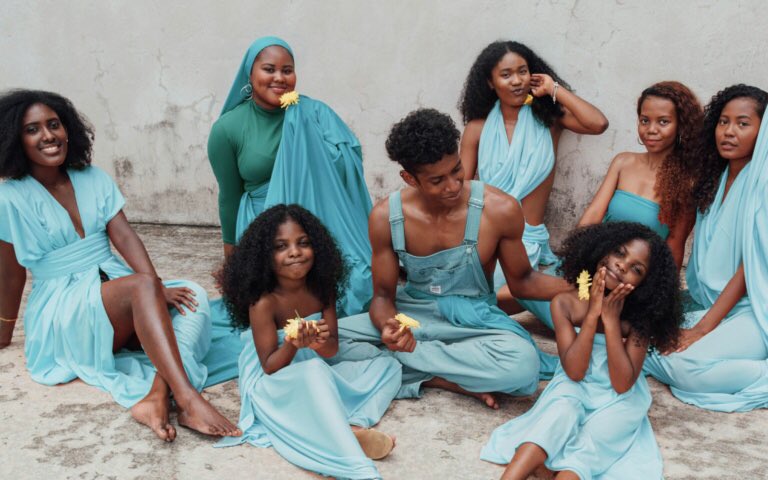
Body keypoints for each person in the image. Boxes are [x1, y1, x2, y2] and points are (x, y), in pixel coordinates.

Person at [0, 89, 239, 441]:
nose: (48, 135)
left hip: (114, 290)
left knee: (194, 297)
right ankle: (187, 397)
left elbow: (125, 238)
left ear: (69, 130)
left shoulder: (92, 177)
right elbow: (10, 272)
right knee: (144, 286)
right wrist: (4, 332)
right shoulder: (9, 197)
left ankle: (158, 394)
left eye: (54, 125)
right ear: (15, 140)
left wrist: (158, 288)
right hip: (64, 311)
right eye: (32, 129)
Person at [336, 109, 569, 408]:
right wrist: (389, 328)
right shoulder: (386, 217)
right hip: (414, 317)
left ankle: (411, 367)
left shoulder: (499, 209)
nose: (453, 185)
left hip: (474, 321)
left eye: (457, 170)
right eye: (437, 180)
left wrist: (572, 286)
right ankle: (443, 378)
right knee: (329, 341)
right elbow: (382, 297)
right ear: (409, 178)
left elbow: (523, 282)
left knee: (522, 365)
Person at [203, 36, 376, 386]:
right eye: (269, 69)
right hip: (263, 223)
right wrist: (231, 261)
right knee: (263, 297)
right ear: (249, 75)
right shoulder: (227, 129)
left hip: (313, 219)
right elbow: (229, 196)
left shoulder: (312, 113)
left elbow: (347, 163)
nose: (279, 78)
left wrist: (329, 150)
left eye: (288, 70)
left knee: (357, 283)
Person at [482, 222, 682, 479]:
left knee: (589, 447)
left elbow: (622, 384)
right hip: (574, 382)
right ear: (601, 249)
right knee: (558, 415)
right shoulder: (564, 303)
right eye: (619, 253)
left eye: (636, 269)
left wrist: (610, 322)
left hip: (619, 397)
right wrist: (592, 316)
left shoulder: (639, 321)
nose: (622, 266)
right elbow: (575, 371)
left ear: (644, 284)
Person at [215, 204, 400, 480]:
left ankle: (349, 424)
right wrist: (292, 344)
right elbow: (269, 366)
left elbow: (332, 349)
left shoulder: (321, 290)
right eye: (281, 246)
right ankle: (345, 450)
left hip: (316, 366)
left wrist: (316, 344)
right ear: (264, 257)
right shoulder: (264, 303)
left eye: (303, 243)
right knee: (313, 374)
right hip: (274, 379)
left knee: (388, 366)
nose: (294, 252)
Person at [517, 81, 703, 326]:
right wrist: (576, 263)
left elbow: (674, 246)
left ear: (681, 126)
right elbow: (593, 215)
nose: (651, 129)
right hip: (594, 267)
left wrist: (658, 299)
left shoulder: (687, 183)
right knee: (521, 289)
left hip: (630, 282)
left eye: (663, 122)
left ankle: (588, 318)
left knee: (553, 303)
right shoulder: (623, 162)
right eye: (644, 120)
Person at [644, 84, 768, 412]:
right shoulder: (714, 178)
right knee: (632, 336)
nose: (729, 132)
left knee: (686, 369)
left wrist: (701, 329)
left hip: (754, 311)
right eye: (723, 122)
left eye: (743, 124)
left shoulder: (763, 184)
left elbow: (749, 270)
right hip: (706, 302)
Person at [458, 40, 608, 274]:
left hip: (526, 240)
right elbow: (459, 189)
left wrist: (554, 89)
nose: (517, 81)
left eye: (522, 71)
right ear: (490, 82)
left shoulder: (549, 121)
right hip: (485, 234)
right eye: (506, 75)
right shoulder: (477, 129)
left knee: (498, 290)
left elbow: (598, 124)